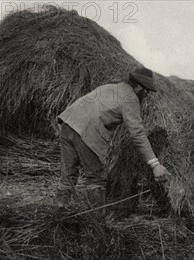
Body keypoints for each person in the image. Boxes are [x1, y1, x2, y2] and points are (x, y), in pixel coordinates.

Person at [55, 67, 171, 209]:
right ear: (139, 87)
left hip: (68, 123)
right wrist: (155, 164)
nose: (147, 94)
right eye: (146, 90)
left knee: (68, 174)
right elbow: (137, 133)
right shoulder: (131, 98)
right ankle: (95, 223)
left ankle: (59, 211)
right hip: (86, 131)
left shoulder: (110, 87)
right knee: (96, 178)